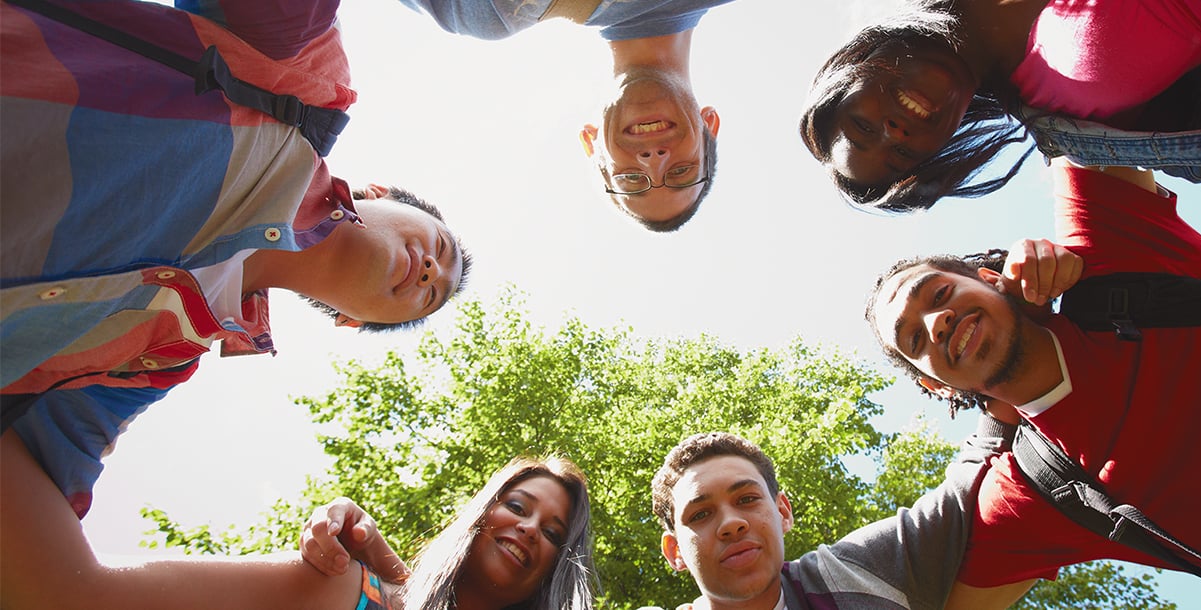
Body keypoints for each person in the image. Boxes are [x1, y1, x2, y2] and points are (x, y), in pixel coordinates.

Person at [1, 0, 470, 518]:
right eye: (441, 249)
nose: (432, 270)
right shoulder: (298, 82)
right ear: (380, 193)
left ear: (351, 322)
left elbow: (45, 481)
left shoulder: (157, 365)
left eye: (432, 294)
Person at [865, 159, 1201, 609]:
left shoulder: (1110, 253)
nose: (936, 323)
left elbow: (1076, 102)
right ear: (934, 385)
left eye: (936, 294)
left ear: (988, 277)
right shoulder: (1032, 492)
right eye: (914, 340)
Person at [799, 0, 1201, 303]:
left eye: (862, 124)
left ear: (860, 69)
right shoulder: (1077, 127)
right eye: (900, 160)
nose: (894, 136)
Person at [0, 440, 596, 610]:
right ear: (479, 516)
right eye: (518, 507)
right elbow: (73, 591)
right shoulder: (343, 588)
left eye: (550, 532)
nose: (527, 529)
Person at [395, 0, 731, 231]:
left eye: (630, 179)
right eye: (681, 171)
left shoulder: (489, 12)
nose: (652, 159)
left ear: (591, 141)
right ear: (709, 125)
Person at [648, 426, 1031, 610]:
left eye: (747, 498)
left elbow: (980, 472)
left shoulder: (856, 572)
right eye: (700, 514)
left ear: (783, 512)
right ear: (674, 551)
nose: (731, 523)